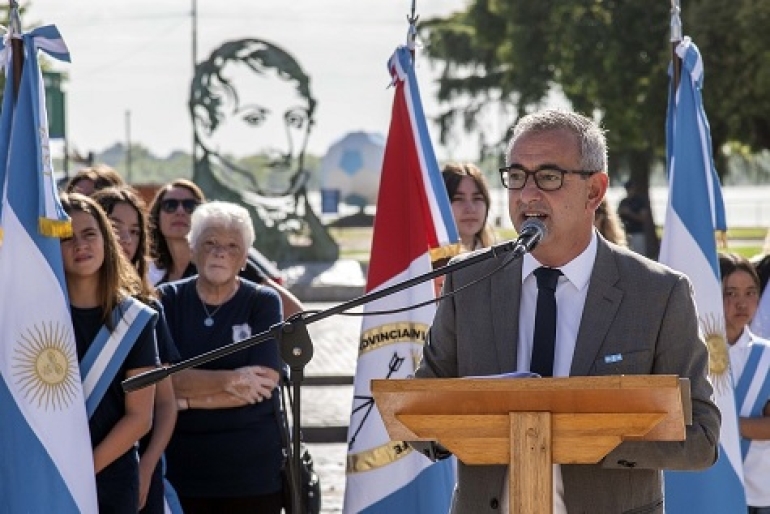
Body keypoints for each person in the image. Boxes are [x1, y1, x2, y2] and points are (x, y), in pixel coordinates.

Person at [414, 109, 719, 513]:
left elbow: (701, 438)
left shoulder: (659, 293)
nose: (527, 195)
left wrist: (587, 435)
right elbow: (423, 411)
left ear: (595, 191)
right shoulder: (469, 281)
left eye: (549, 177)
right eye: (517, 176)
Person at [156, 201, 284, 513]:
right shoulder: (166, 299)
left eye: (231, 246)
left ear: (244, 258)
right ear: (193, 248)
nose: (220, 252)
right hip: (182, 467)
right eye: (210, 243)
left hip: (252, 473)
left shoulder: (262, 301)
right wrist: (233, 379)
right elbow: (160, 380)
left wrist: (184, 399)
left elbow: (264, 383)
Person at [59, 192, 159, 513]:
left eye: (89, 234)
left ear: (106, 241)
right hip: (47, 470)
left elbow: (140, 417)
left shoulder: (135, 319)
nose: (80, 245)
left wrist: (84, 471)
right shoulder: (36, 318)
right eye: (67, 237)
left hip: (110, 477)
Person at [92, 186, 180, 513]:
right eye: (116, 228)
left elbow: (166, 405)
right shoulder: (59, 307)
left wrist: (147, 467)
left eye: (134, 231)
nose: (126, 240)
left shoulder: (144, 310)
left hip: (131, 468)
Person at [147, 178, 304, 318]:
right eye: (170, 205)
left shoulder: (225, 263)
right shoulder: (152, 271)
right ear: (157, 215)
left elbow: (295, 312)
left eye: (189, 206)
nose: (180, 211)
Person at [718, 252, 770, 513]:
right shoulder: (694, 353)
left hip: (759, 492)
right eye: (731, 293)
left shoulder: (766, 354)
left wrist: (718, 426)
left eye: (750, 293)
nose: (742, 303)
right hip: (709, 486)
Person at [441, 162, 496, 251]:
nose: (470, 209)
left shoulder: (501, 259)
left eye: (477, 198)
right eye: (458, 199)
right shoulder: (424, 262)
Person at [617, 179, 651, 255]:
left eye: (630, 188)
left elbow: (643, 218)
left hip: (637, 232)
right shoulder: (623, 202)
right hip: (625, 232)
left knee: (639, 254)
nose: (628, 191)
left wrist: (630, 213)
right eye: (627, 188)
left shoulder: (639, 201)